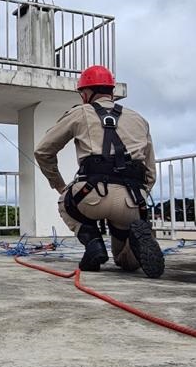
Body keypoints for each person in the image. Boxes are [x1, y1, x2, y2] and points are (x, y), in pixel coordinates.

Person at [34, 65, 165, 277]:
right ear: (111, 91)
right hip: (132, 201)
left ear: (86, 93)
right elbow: (150, 172)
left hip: (91, 195)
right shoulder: (139, 119)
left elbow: (42, 151)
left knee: (65, 202)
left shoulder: (80, 112)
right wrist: (141, 194)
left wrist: (60, 185)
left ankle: (94, 244)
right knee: (124, 260)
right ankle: (133, 244)